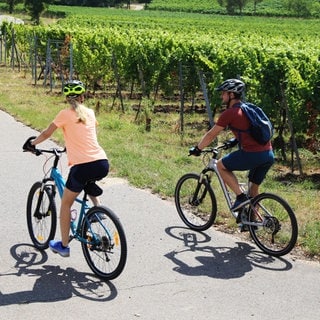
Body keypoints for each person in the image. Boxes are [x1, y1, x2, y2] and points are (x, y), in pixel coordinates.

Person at [24, 80, 109, 257]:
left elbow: (47, 133)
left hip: (83, 166)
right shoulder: (90, 113)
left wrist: (32, 144)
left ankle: (63, 246)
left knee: (66, 204)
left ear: (67, 98)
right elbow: (86, 136)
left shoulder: (64, 114)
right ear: (82, 96)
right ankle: (97, 211)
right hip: (102, 162)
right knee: (86, 181)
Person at [189, 78, 274, 214]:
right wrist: (235, 140)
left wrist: (198, 148)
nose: (221, 96)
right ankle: (254, 222)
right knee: (253, 188)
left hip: (253, 154)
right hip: (268, 154)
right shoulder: (248, 108)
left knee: (220, 165)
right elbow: (249, 130)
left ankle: (240, 197)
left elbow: (212, 135)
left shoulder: (229, 113)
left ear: (232, 95)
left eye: (224, 93)